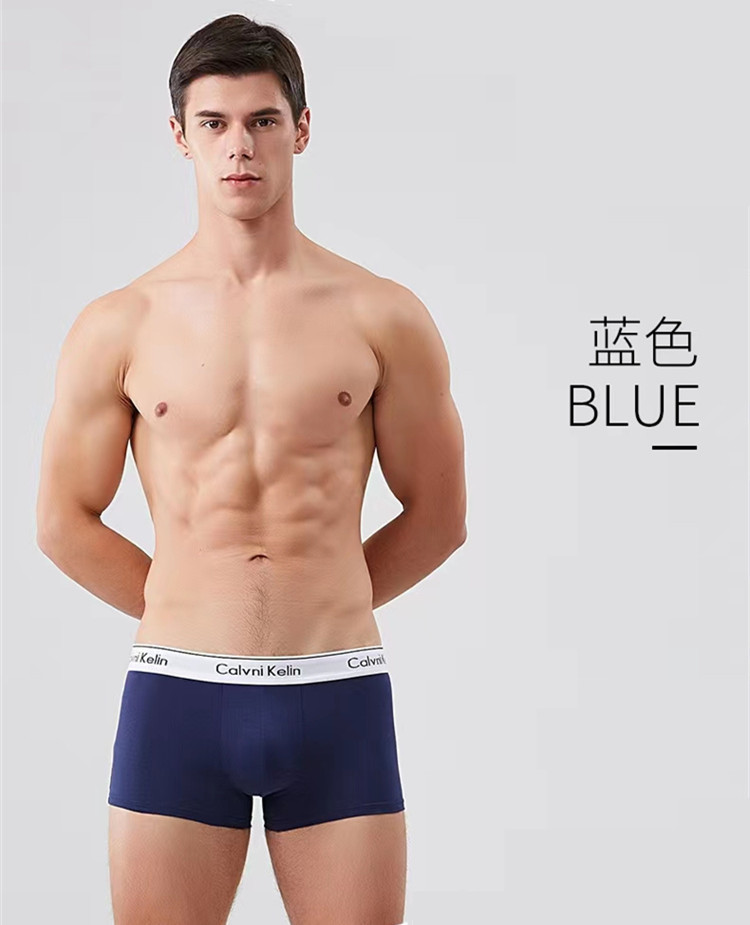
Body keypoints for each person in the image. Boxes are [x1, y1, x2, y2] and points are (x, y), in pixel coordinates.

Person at [35, 13, 467, 925]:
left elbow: (439, 515)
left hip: (337, 690)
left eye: (264, 120)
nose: (240, 146)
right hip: (178, 695)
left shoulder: (382, 316)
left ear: (301, 130)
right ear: (179, 135)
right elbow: (62, 520)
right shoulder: (120, 324)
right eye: (216, 123)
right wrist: (188, 598)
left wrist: (325, 592)